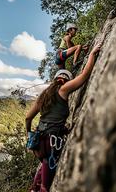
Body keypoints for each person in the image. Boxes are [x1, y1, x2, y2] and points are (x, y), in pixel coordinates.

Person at [26, 42, 102, 192]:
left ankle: (34, 188)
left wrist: (29, 134)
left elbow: (28, 117)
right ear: (66, 79)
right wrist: (92, 54)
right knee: (45, 187)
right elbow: (84, 76)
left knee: (43, 167)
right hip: (50, 143)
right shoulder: (63, 89)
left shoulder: (43, 96)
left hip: (39, 143)